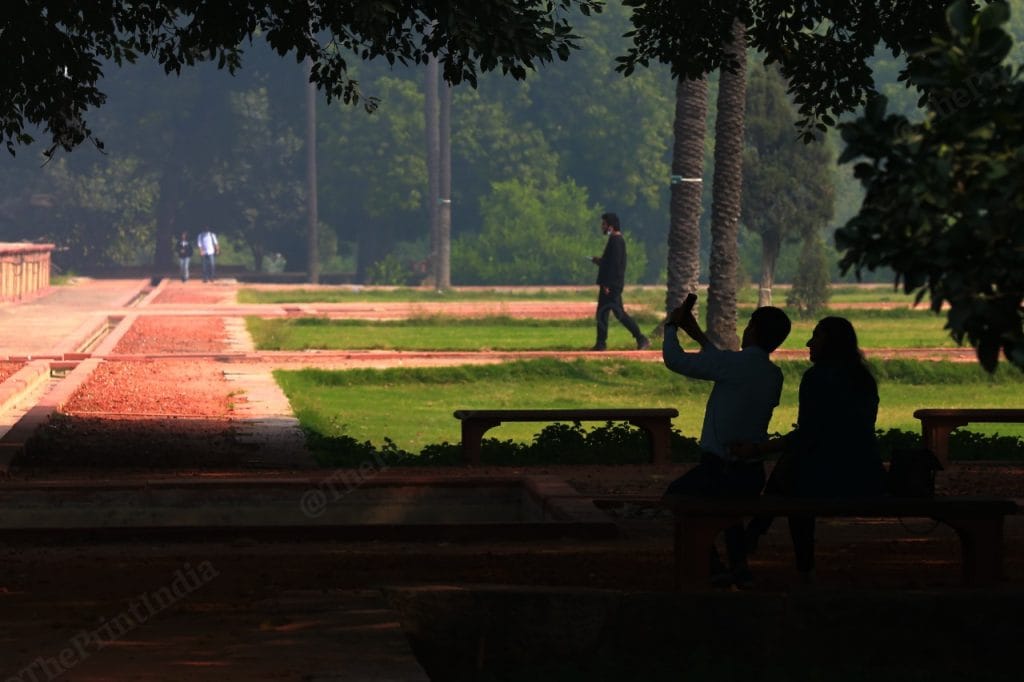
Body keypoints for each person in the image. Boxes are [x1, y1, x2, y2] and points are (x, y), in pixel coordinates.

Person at [737, 316, 886, 583]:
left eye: (815, 336)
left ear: (829, 343)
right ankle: (759, 533)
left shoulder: (816, 378)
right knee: (793, 469)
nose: (809, 343)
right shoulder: (864, 379)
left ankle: (771, 543)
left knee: (794, 481)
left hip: (828, 480)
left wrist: (759, 449)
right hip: (866, 474)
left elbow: (807, 434)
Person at [661, 299, 792, 589]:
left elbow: (676, 360)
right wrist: (698, 335)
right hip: (750, 472)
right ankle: (739, 568)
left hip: (720, 470)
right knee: (729, 516)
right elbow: (724, 364)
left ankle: (714, 568)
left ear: (753, 331)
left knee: (678, 498)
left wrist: (671, 326)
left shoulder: (735, 364)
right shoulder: (773, 375)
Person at [590, 212, 650, 351]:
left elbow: (615, 266)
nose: (602, 227)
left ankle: (641, 338)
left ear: (610, 226)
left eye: (604, 224)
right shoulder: (614, 240)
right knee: (602, 314)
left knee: (619, 314)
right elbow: (609, 263)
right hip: (609, 284)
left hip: (611, 286)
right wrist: (599, 261)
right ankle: (600, 343)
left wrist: (607, 285)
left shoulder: (616, 241)